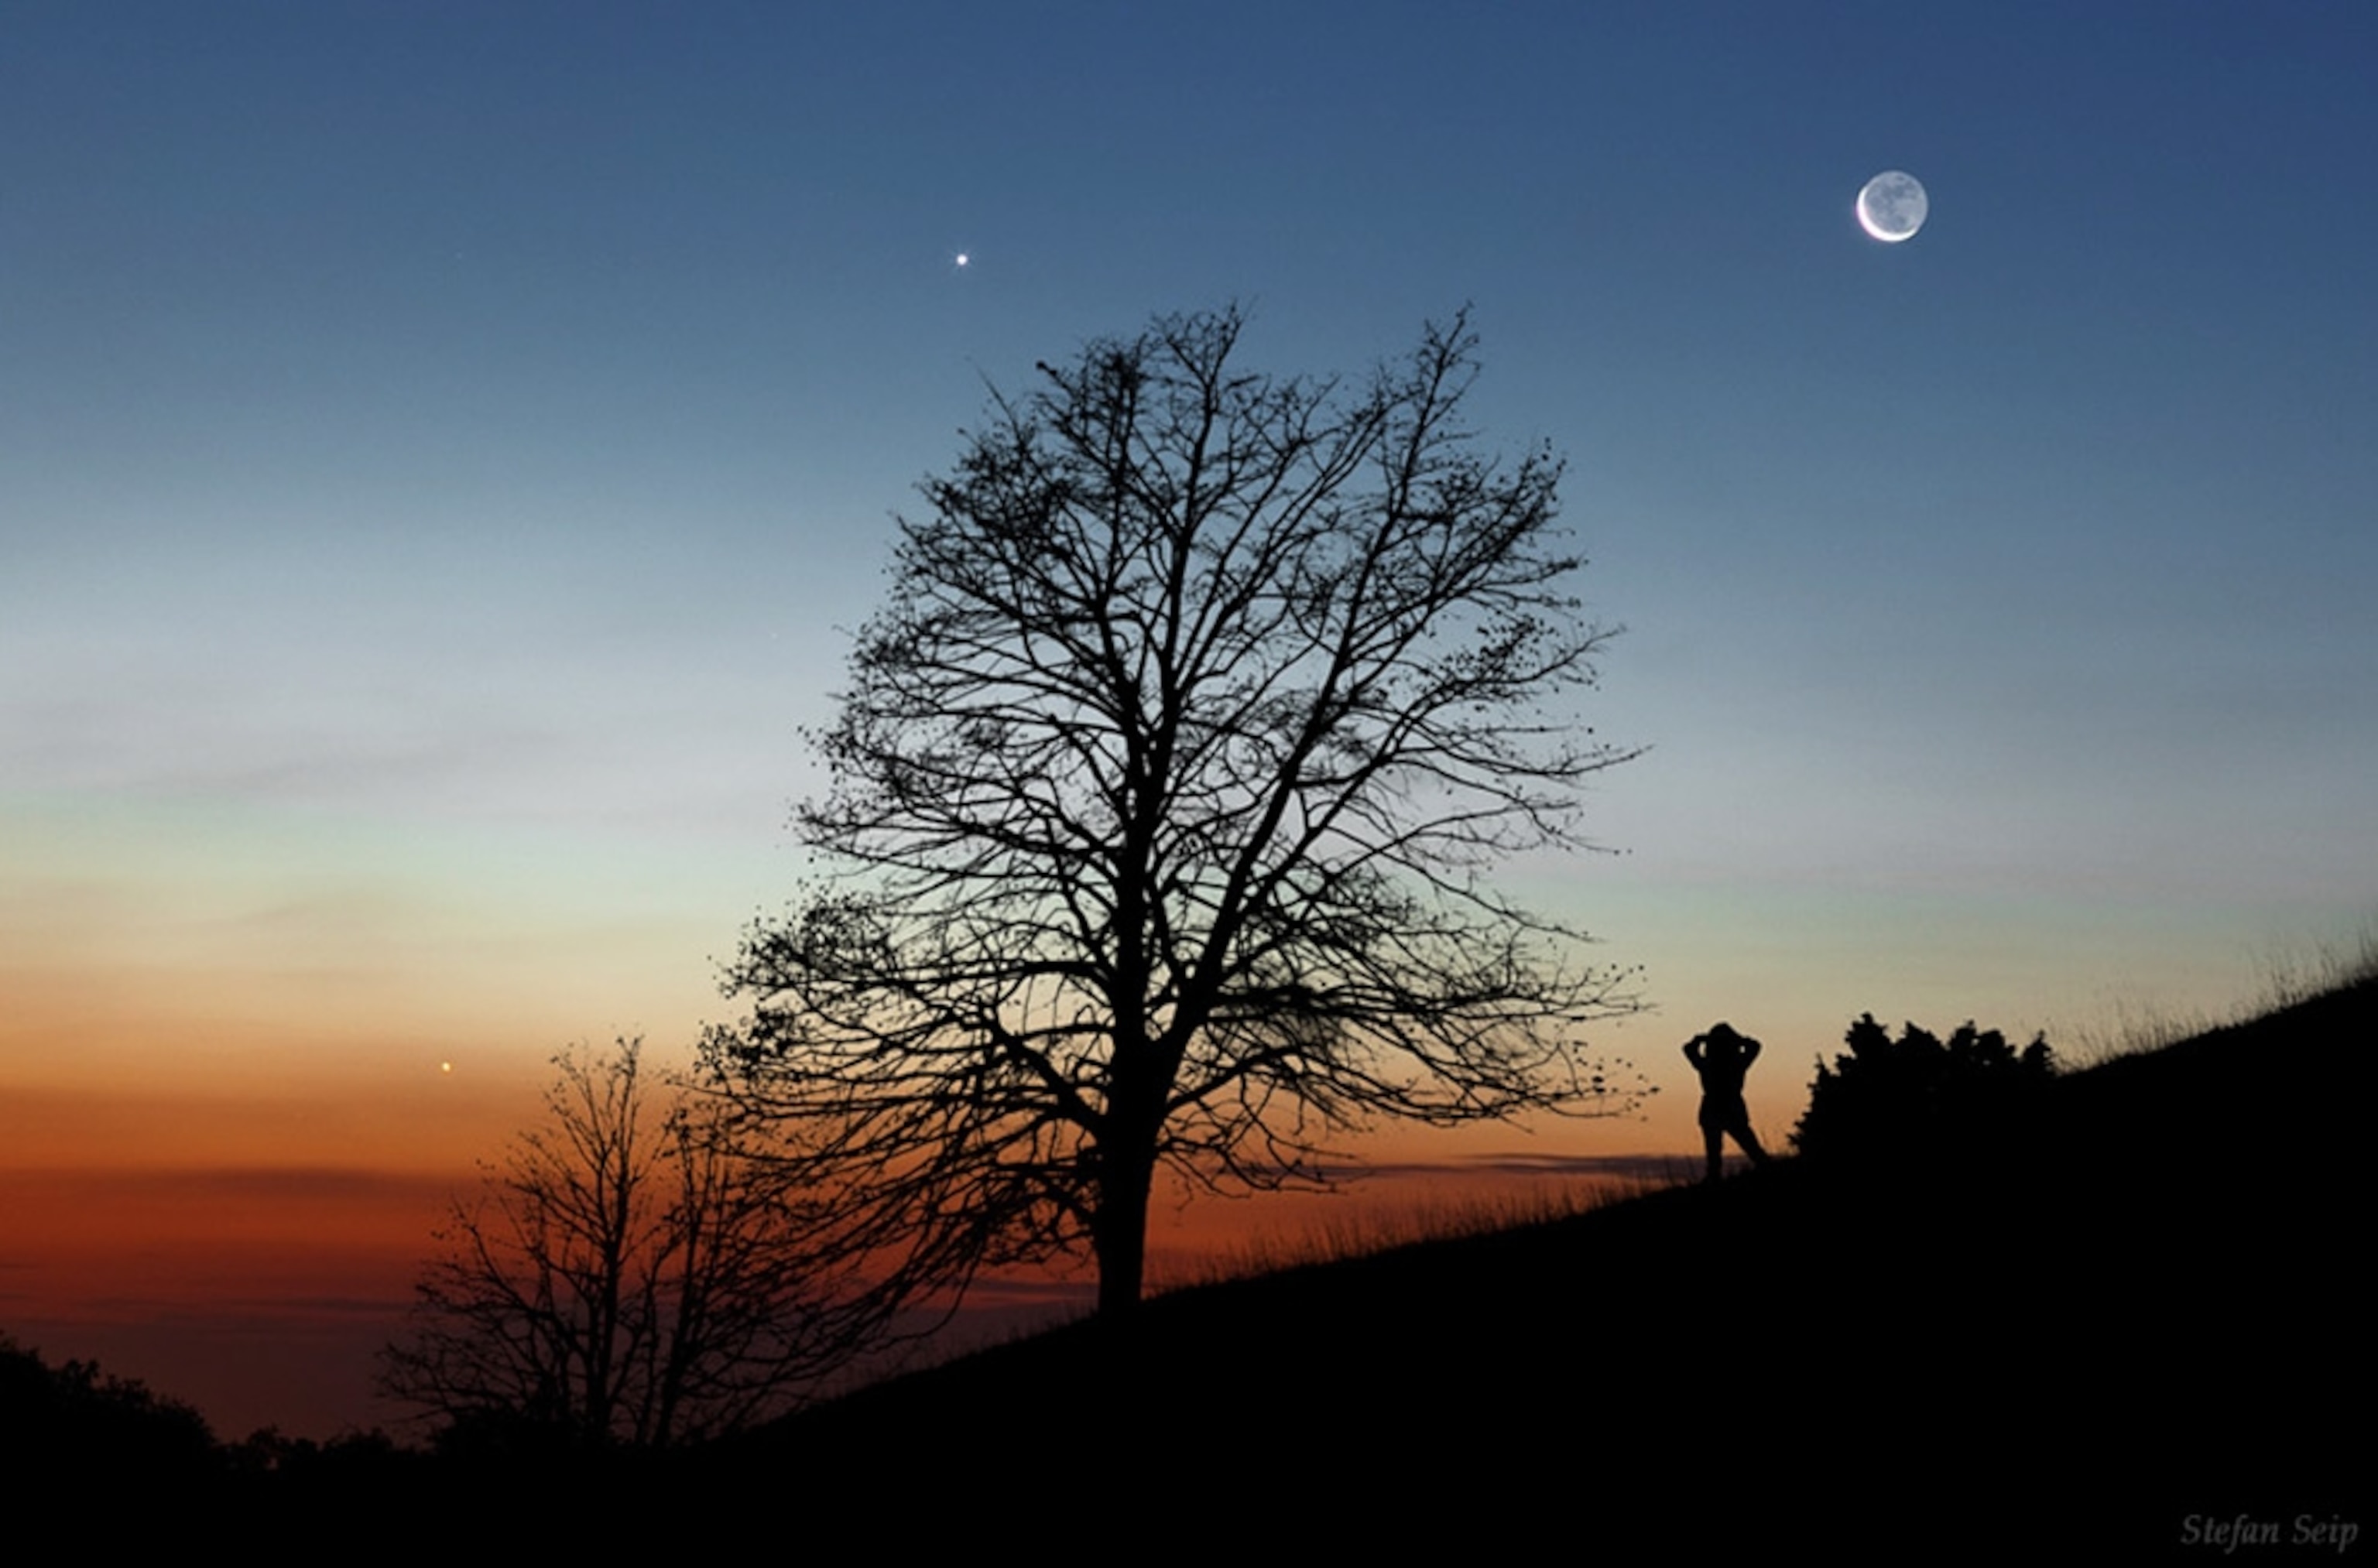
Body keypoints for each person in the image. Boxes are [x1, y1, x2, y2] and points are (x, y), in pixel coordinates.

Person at [1683, 1022, 1772, 1183]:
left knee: (1715, 1152)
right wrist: (1739, 1040)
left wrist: (1701, 1039)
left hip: (1715, 1107)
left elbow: (1688, 1049)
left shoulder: (1707, 1064)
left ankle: (1714, 1178)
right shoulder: (1737, 1063)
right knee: (1749, 1147)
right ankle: (1766, 1169)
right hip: (1731, 1106)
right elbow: (1755, 1046)